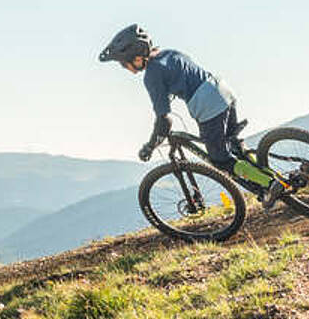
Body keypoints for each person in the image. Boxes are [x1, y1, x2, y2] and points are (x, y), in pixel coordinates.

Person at [97, 25, 279, 193]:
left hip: (209, 105)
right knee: (235, 145)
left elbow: (164, 119)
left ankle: (270, 185)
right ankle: (273, 179)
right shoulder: (170, 53)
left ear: (136, 58)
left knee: (220, 159)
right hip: (223, 91)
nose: (124, 68)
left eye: (123, 63)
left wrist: (150, 146)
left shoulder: (151, 74)